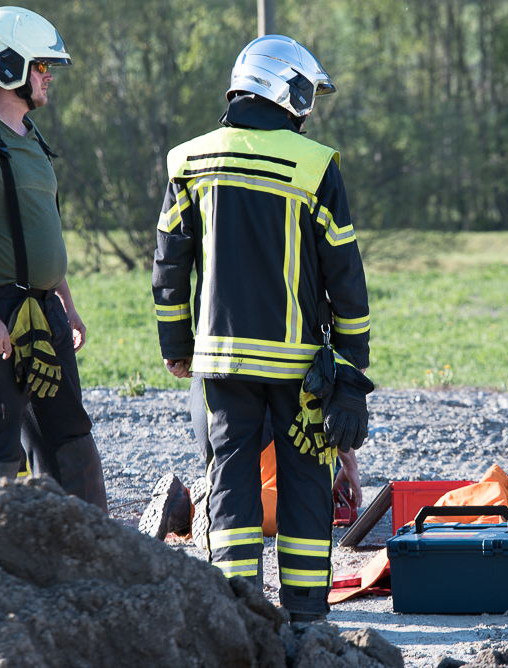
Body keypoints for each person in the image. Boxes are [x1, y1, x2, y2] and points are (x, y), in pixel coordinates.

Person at [152, 35, 372, 623]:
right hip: (299, 366)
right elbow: (344, 276)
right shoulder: (315, 164)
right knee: (304, 484)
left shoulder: (189, 160)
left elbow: (170, 264)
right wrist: (351, 368)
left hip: (220, 362)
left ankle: (239, 615)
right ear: (288, 91)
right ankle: (305, 617)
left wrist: (177, 344)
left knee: (230, 481)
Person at [0, 7, 106, 510]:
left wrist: (65, 303)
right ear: (6, 66)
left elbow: (41, 231)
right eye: (41, 65)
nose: (48, 76)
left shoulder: (32, 136)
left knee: (71, 434)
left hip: (42, 308)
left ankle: (93, 555)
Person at [139, 428, 364, 542]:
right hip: (270, 426)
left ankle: (183, 507)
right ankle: (211, 506)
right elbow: (334, 393)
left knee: (232, 478)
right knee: (292, 508)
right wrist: (349, 464)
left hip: (213, 413)